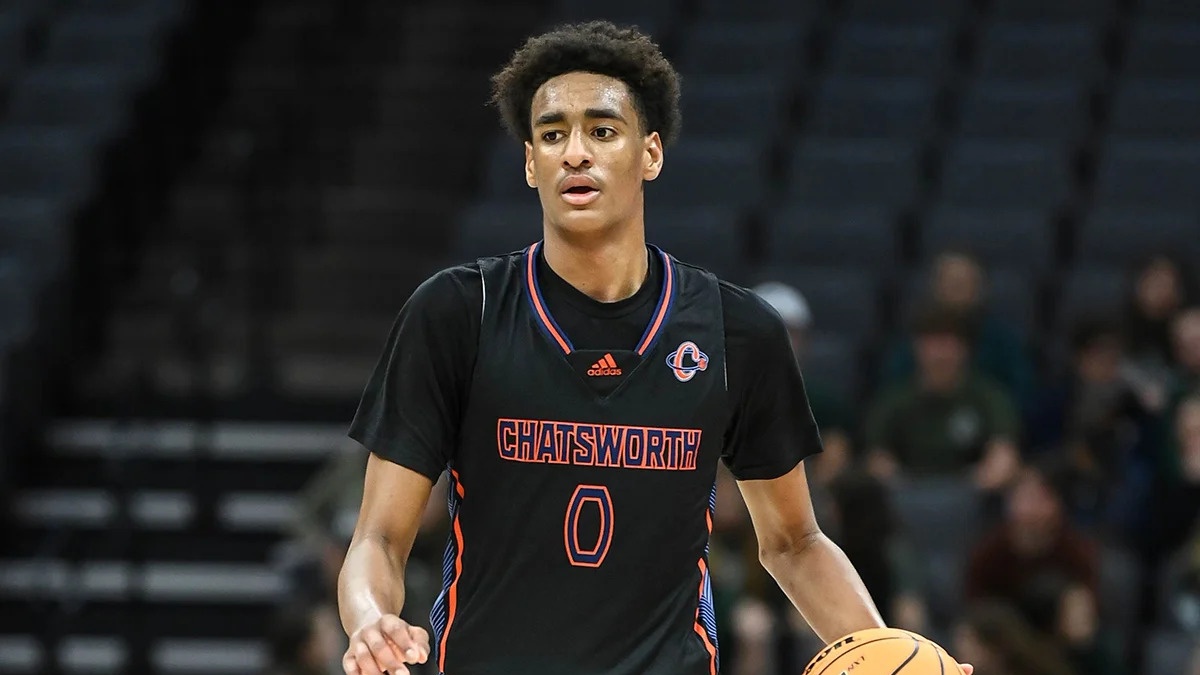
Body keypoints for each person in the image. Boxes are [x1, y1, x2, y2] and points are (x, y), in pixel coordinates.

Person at [335, 21, 972, 675]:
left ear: (651, 153)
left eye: (602, 130)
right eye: (552, 134)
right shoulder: (455, 313)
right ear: (530, 163)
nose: (574, 153)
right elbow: (379, 538)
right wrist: (368, 618)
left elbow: (794, 541)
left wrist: (885, 652)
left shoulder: (736, 330)